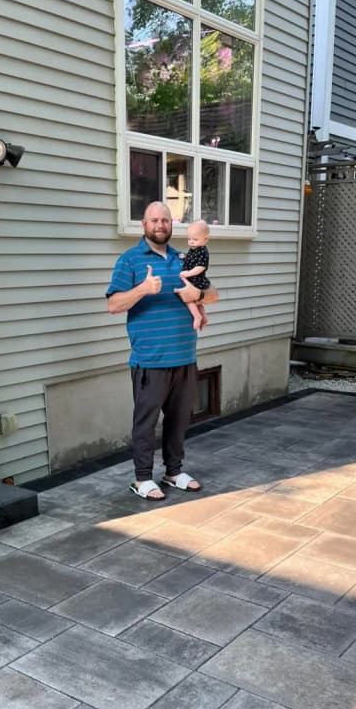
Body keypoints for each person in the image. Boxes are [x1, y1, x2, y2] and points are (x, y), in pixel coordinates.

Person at [106, 202, 219, 501]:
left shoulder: (184, 259)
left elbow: (215, 295)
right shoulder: (129, 260)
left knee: (179, 419)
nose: (160, 224)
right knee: (146, 423)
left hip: (184, 356)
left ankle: (173, 471)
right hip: (150, 360)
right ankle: (142, 478)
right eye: (154, 220)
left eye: (166, 220)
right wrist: (142, 289)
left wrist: (201, 294)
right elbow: (114, 305)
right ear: (144, 225)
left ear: (172, 225)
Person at [180, 219, 211, 331]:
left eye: (195, 239)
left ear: (205, 239)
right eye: (189, 239)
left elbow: (200, 267)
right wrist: (185, 257)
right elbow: (190, 258)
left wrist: (188, 273)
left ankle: (197, 316)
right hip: (193, 279)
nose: (191, 242)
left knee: (188, 299)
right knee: (198, 304)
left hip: (197, 280)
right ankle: (203, 316)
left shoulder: (202, 251)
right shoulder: (194, 248)